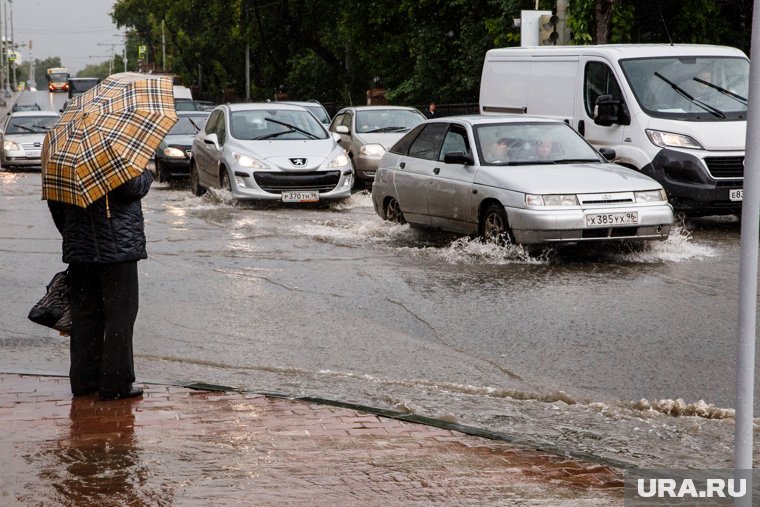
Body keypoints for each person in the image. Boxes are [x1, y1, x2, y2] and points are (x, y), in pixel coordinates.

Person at [47, 170, 154, 401]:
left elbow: (56, 208)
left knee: (85, 316)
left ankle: (84, 381)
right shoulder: (113, 153)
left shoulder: (64, 161)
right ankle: (116, 384)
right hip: (118, 251)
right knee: (120, 318)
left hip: (80, 251)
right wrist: (147, 173)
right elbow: (132, 189)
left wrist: (73, 233)